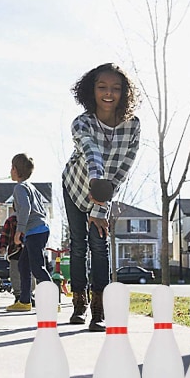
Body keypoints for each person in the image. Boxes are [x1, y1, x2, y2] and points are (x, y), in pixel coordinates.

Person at [62, 62, 140, 332]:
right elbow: (91, 152)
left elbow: (123, 168)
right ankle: (79, 305)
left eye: (116, 88)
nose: (109, 93)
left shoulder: (132, 126)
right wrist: (96, 183)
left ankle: (99, 310)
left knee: (99, 245)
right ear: (90, 90)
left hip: (103, 192)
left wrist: (101, 204)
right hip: (75, 185)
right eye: (102, 87)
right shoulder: (81, 123)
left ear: (124, 93)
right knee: (79, 246)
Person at [6, 153, 52, 312]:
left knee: (37, 267)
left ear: (15, 170)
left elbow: (25, 208)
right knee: (24, 264)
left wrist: (20, 230)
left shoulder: (19, 187)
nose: (10, 171)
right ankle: (25, 301)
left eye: (11, 168)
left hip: (34, 231)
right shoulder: (32, 187)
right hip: (40, 229)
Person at [0, 203, 23, 303]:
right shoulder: (11, 220)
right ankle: (18, 294)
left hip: (28, 251)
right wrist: (3, 246)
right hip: (14, 252)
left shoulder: (31, 220)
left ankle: (29, 294)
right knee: (15, 273)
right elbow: (5, 234)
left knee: (30, 274)